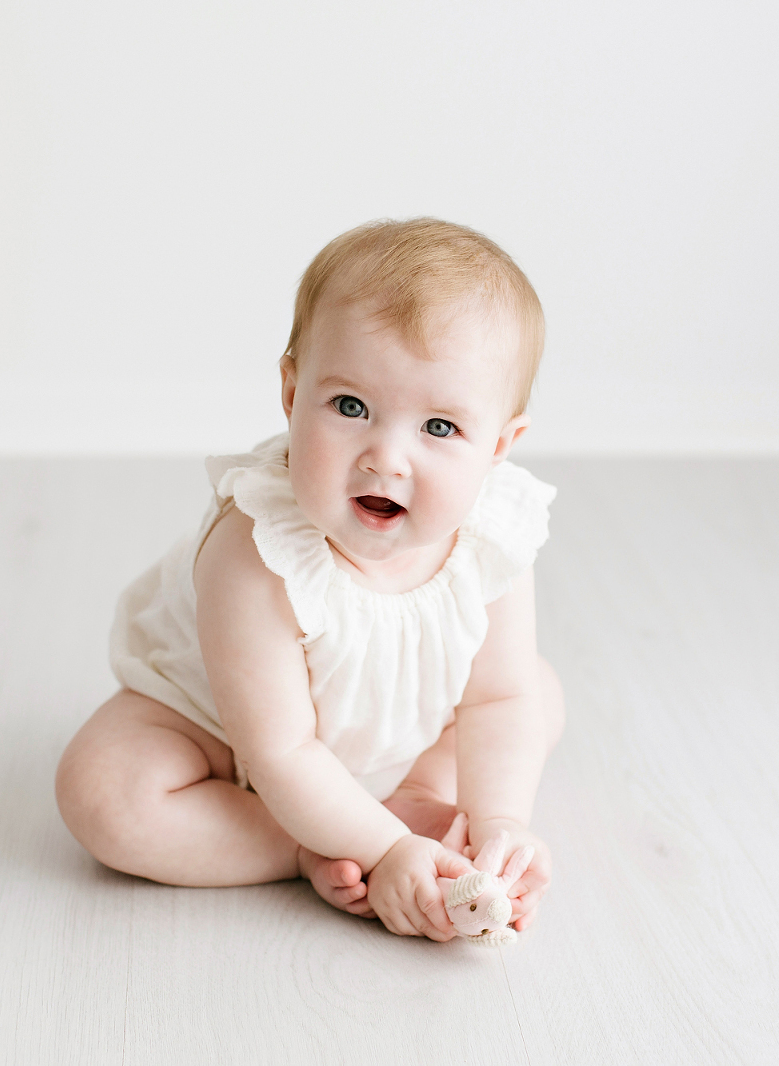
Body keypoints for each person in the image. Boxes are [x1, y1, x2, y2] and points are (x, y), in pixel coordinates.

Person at [56, 218, 564, 941]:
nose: (387, 458)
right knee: (105, 792)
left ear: (500, 448)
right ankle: (295, 842)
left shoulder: (493, 535)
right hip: (233, 742)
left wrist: (501, 822)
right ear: (292, 394)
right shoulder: (258, 548)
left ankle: (418, 793)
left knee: (539, 693)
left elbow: (501, 698)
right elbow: (280, 748)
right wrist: (383, 852)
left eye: (441, 428)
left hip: (395, 723)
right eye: (350, 407)